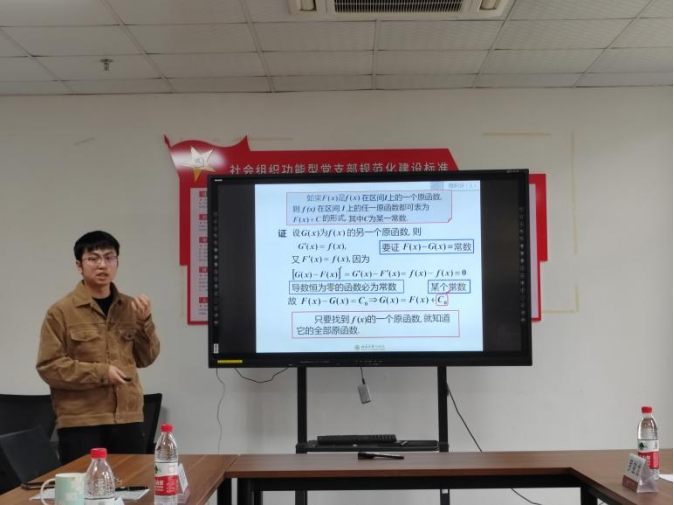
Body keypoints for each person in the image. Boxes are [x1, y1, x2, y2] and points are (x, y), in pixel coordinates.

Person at [37, 231, 160, 463]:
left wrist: (145, 322)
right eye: (93, 258)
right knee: (85, 484)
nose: (102, 265)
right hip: (81, 421)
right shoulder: (61, 311)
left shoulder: (130, 307)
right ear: (79, 265)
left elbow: (146, 358)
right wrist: (102, 372)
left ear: (117, 262)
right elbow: (49, 367)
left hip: (127, 418)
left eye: (109, 257)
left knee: (132, 483)